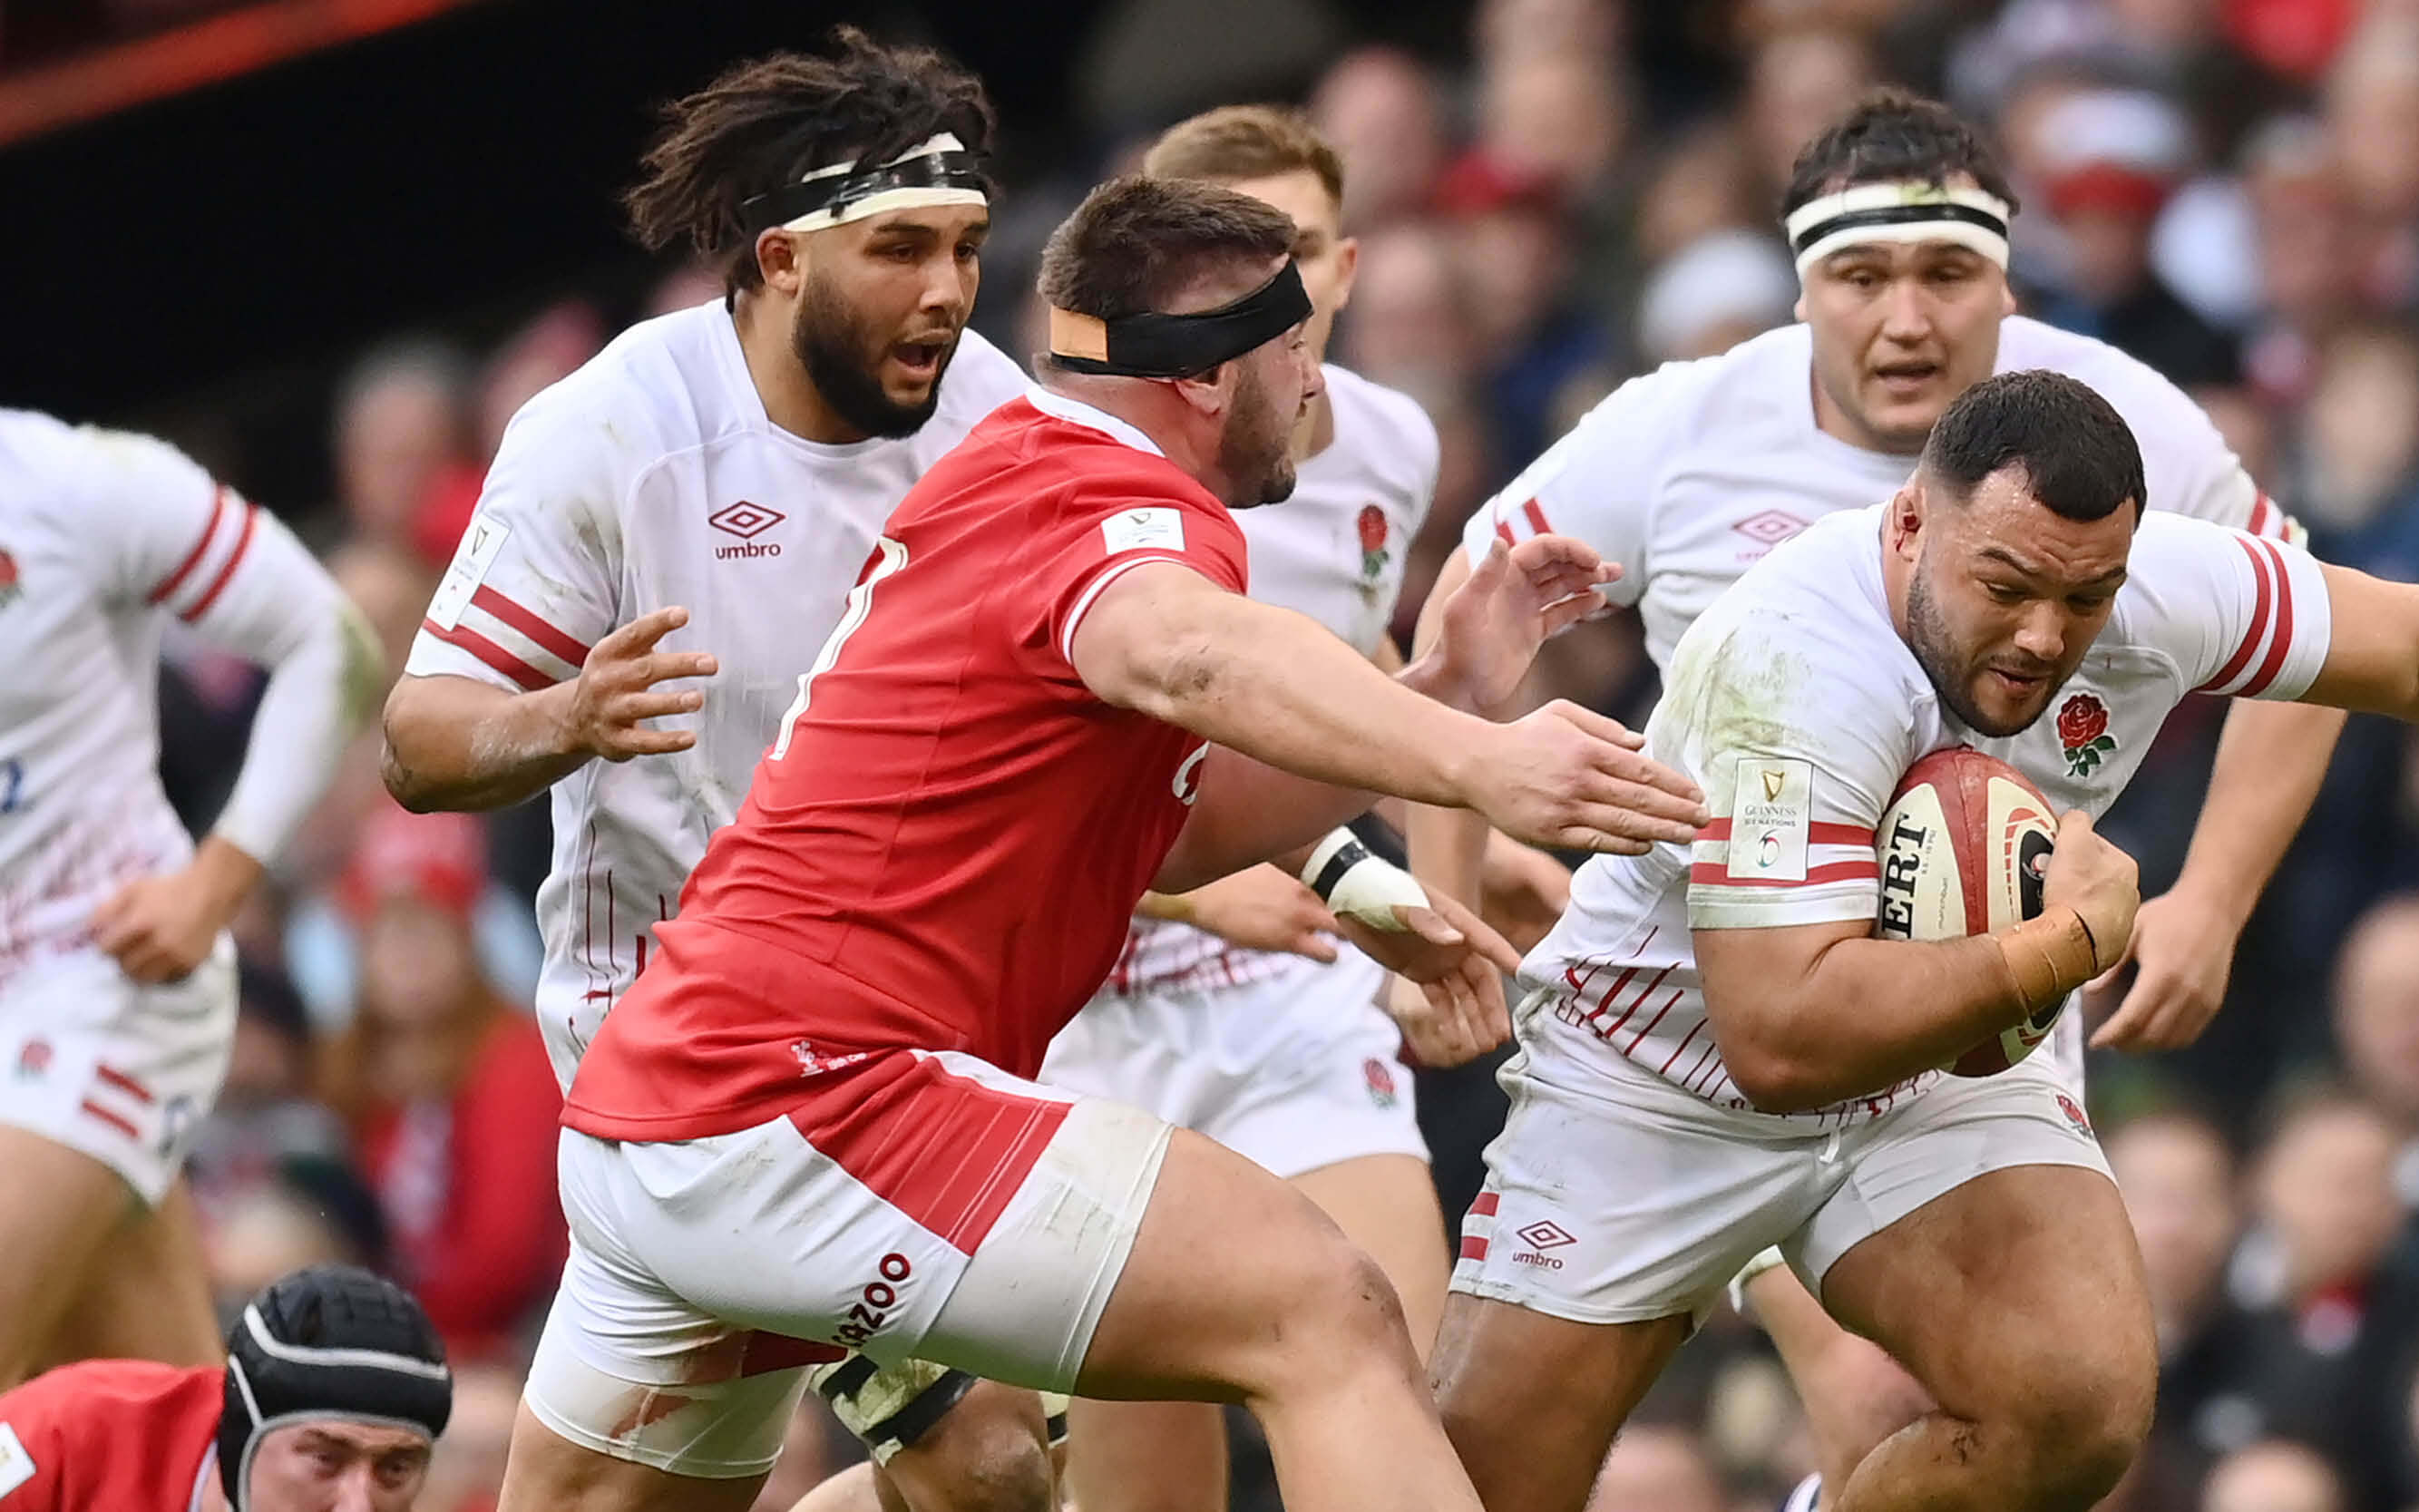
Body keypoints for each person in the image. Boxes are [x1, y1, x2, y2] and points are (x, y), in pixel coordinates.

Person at [489, 174, 1703, 1512]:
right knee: (1321, 1306)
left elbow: (1181, 832)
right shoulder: (1109, 500)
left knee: (991, 1478)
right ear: (1208, 377)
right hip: (811, 1089)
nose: (1317, 386)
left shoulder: (1023, 467)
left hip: (674, 1092)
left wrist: (1447, 688)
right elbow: (1186, 654)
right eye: (1298, 350)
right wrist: (1485, 762)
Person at [1426, 369, 2419, 1512]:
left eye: (2085, 594)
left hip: (1931, 1069)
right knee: (1483, 1488)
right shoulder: (1797, 667)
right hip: (1663, 1074)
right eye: (2005, 586)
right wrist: (2073, 942)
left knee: (2075, 1401)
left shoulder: (2159, 587)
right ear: (1909, 523)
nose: (2045, 635)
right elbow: (1779, 1037)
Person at [1410, 87, 2350, 1499]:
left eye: (1947, 271)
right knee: (1488, 1467)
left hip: (1973, 1011)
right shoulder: (1679, 425)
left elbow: (2315, 637)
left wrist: (2213, 897)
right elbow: (1456, 650)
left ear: (2007, 283)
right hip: (1698, 1016)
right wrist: (1444, 899)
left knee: (2002, 1411)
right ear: (1801, 289)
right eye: (1861, 276)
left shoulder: (2111, 423)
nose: (1905, 319)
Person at [370, 31, 1060, 1510]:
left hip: (897, 1034)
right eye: (900, 248)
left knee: (992, 1465)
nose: (948, 288)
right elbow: (418, 740)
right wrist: (565, 717)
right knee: (996, 1455)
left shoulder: (991, 419)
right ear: (784, 260)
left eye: (965, 245)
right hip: (676, 1053)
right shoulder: (615, 430)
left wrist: (1307, 860)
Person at [1037, 102, 1564, 1512]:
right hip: (1079, 1000)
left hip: (1294, 992)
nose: (1287, 293)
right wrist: (1211, 881)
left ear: (1347, 263)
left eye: (1306, 252)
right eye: (1239, 268)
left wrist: (1458, 857)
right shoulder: (1059, 465)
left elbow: (1348, 669)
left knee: (1404, 1377)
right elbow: (1032, 762)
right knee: (1118, 1493)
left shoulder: (1387, 442)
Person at [0, 411, 380, 1387]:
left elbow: (329, 639)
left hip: (99, 973)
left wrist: (216, 881)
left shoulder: (78, 486)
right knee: (160, 1422)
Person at [0, 1263, 451, 1512]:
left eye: (394, 1469)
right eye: (326, 1459)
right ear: (239, 1440)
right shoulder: (65, 1433)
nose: (358, 1507)